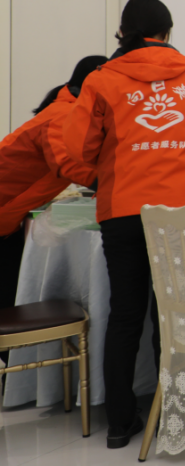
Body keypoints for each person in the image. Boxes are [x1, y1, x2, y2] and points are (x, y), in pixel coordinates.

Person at [60, 0, 185, 449]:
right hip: (178, 212)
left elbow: (79, 148)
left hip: (123, 210)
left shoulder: (102, 79)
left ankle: (120, 422)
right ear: (166, 32)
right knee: (171, 314)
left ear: (124, 33)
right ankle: (174, 416)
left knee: (125, 315)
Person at [0, 55, 105, 365]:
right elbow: (68, 163)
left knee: (8, 295)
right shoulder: (63, 115)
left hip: (9, 218)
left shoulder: (69, 110)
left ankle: (11, 372)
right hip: (5, 213)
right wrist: (113, 182)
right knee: (7, 301)